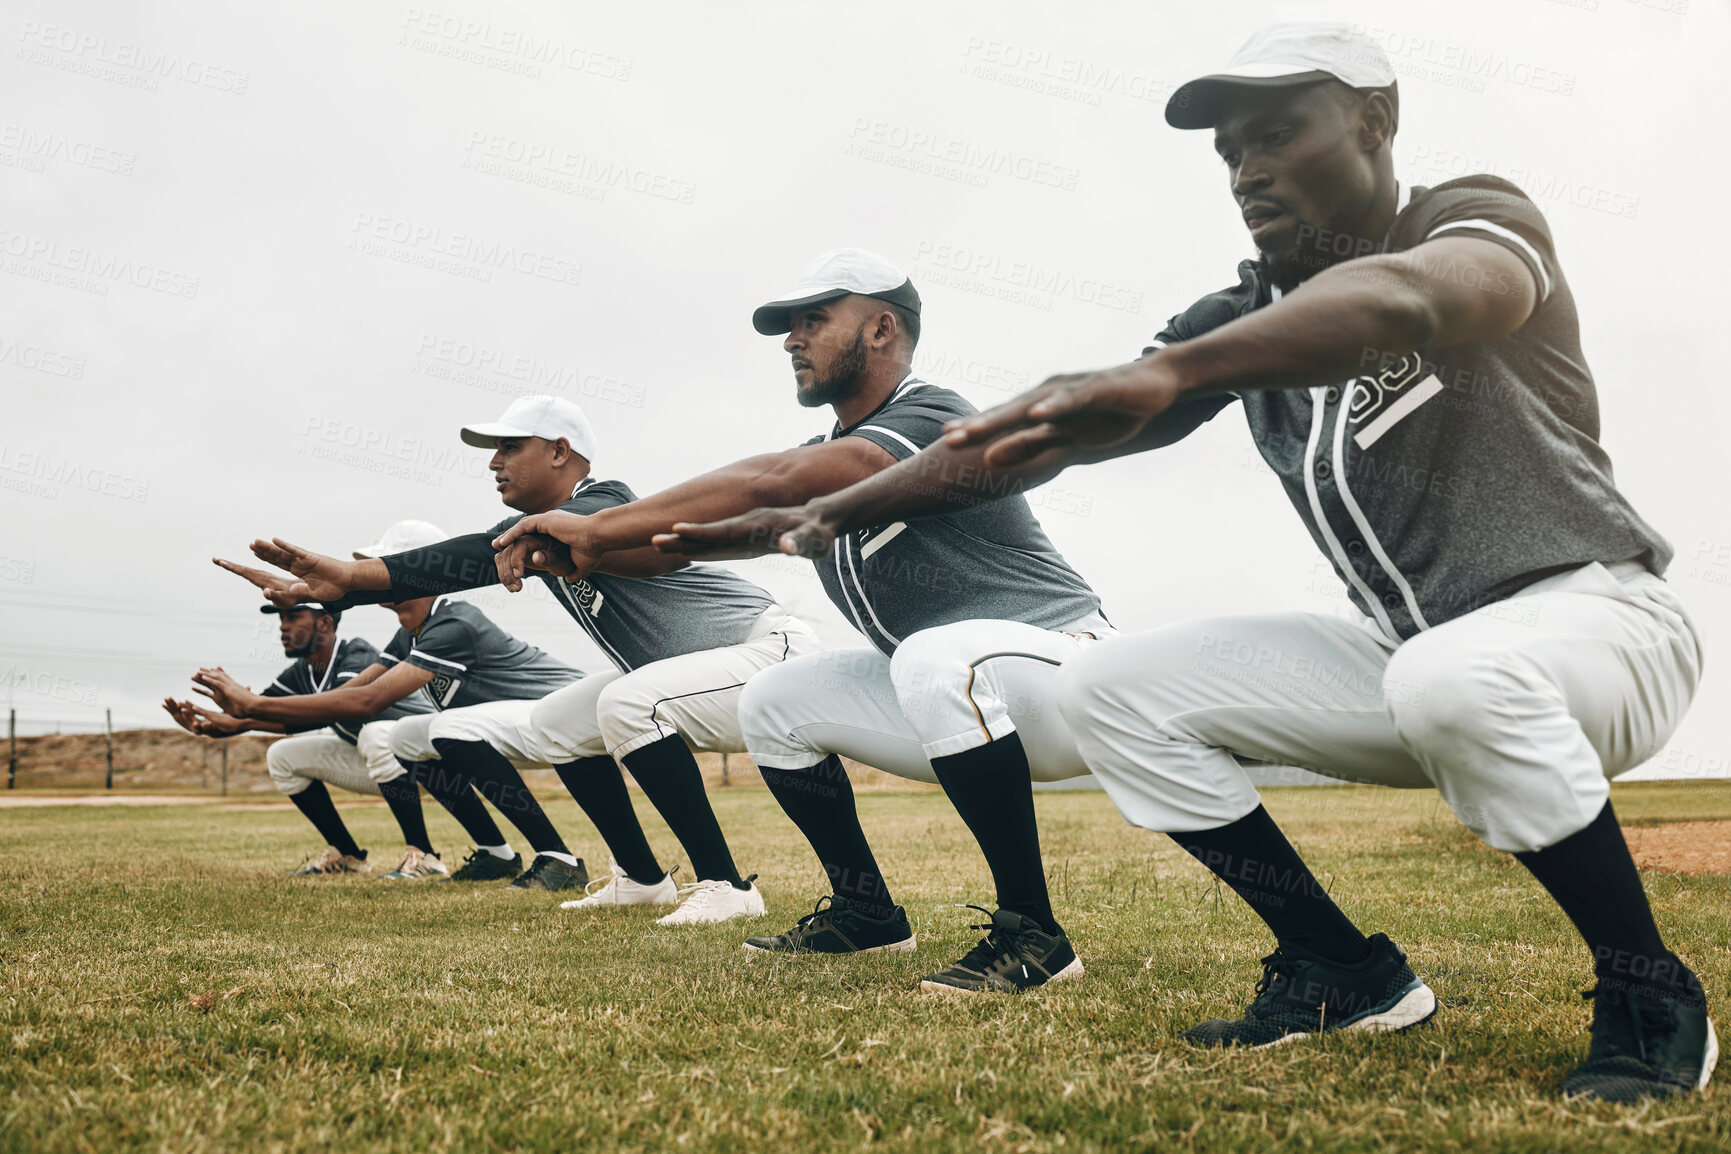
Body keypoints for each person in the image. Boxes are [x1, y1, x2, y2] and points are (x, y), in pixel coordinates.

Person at [666, 23, 1715, 1102]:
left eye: (1275, 134)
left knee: (1447, 677)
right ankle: (1340, 969)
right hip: (1413, 653)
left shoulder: (1468, 216)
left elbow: (1425, 299)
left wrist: (1179, 372)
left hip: (1598, 621)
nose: (1247, 169)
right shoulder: (1244, 312)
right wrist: (819, 515)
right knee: (1118, 686)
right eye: (1228, 154)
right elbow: (1035, 439)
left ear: (1374, 121)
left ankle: (1648, 983)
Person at [489, 249, 1114, 992]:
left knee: (933, 656)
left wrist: (600, 523)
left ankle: (1034, 936)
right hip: (952, 692)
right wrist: (601, 546)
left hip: (1067, 670)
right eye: (789, 326)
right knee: (776, 699)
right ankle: (867, 913)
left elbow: (778, 480)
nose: (791, 339)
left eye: (813, 320)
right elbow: (723, 530)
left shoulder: (931, 414)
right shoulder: (827, 452)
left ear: (881, 329)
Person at [225, 398, 821, 924]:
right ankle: (643, 881)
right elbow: (456, 562)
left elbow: (487, 553)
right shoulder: (530, 532)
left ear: (561, 451)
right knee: (558, 722)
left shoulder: (603, 502)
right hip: (701, 672)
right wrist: (345, 588)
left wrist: (354, 576)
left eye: (510, 447)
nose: (493, 462)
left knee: (628, 699)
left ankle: (726, 886)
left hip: (765, 650)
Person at [203, 519, 585, 888]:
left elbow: (367, 702)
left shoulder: (454, 623)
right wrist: (243, 717)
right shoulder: (411, 632)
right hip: (529, 728)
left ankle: (558, 858)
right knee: (407, 736)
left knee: (434, 729)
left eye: (387, 566)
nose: (378, 574)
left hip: (573, 718)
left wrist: (252, 707)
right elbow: (351, 694)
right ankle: (495, 853)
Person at [166, 600, 435, 875]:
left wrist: (246, 711)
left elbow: (332, 710)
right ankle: (346, 855)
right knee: (282, 756)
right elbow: (262, 712)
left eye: (293, 617)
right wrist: (209, 725)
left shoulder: (358, 654)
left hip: (434, 762)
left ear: (325, 623)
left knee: (373, 734)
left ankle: (423, 855)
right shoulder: (302, 672)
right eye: (282, 618)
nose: (283, 627)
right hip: (388, 766)